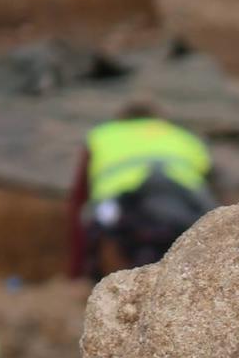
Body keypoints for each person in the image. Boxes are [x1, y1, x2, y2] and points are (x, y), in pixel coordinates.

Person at [67, 103, 217, 281]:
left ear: (120, 120)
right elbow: (210, 180)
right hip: (182, 202)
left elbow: (78, 199)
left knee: (100, 225)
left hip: (123, 204)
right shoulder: (184, 136)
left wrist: (76, 272)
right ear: (159, 121)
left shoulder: (102, 134)